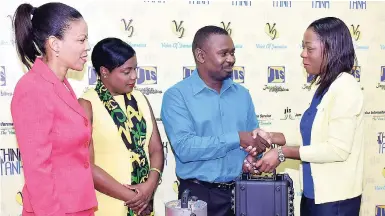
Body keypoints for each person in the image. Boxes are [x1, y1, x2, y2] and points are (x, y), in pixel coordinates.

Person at [250, 17, 364, 216]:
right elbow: (310, 133)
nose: (303, 54)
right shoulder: (326, 87)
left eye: (309, 49)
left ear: (332, 49)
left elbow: (337, 150)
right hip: (314, 196)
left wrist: (283, 153)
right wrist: (272, 137)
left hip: (335, 201)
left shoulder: (346, 87)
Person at [160, 25, 271, 216]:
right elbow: (185, 148)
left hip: (242, 192)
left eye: (233, 53)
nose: (231, 59)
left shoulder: (242, 95)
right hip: (198, 197)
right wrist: (236, 138)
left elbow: (253, 140)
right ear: (200, 56)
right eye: (224, 53)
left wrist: (253, 156)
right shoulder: (177, 96)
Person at [10, 2, 97, 216]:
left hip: (79, 207)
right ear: (55, 44)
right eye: (81, 39)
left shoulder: (62, 85)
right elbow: (38, 171)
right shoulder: (32, 88)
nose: (87, 46)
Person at [78, 38, 164, 216]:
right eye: (126, 71)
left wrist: (149, 186)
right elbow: (86, 166)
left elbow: (155, 148)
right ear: (104, 72)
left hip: (143, 203)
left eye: (135, 69)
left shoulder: (140, 98)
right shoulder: (86, 104)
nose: (134, 76)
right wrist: (134, 197)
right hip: (108, 205)